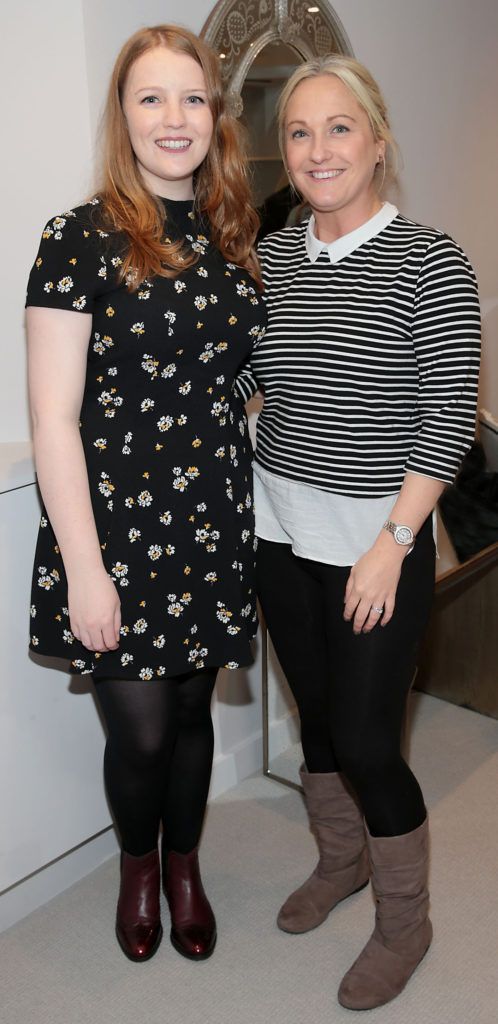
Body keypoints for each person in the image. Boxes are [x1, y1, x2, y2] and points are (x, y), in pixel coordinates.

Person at [236, 56, 480, 1009]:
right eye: (299, 132)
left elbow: (448, 413)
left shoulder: (429, 259)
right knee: (320, 721)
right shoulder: (275, 255)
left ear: (378, 143)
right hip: (278, 527)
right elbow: (265, 374)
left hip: (379, 537)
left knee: (373, 744)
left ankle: (406, 921)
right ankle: (340, 862)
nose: (318, 148)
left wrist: (392, 541)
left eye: (340, 128)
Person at [26, 24, 265, 964]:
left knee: (197, 713)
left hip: (211, 517)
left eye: (193, 97)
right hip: (112, 527)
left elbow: (238, 379)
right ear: (122, 116)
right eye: (151, 98)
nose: (175, 118)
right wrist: (84, 569)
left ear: (216, 114)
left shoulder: (235, 237)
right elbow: (53, 418)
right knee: (143, 730)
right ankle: (138, 865)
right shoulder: (77, 236)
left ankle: (185, 867)